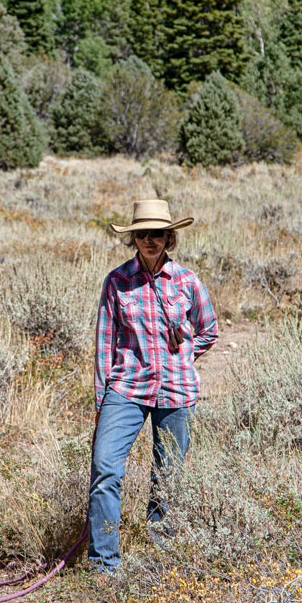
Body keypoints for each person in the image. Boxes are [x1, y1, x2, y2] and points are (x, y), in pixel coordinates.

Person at [89, 199, 218, 575]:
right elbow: (104, 343)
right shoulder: (117, 281)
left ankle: (160, 559)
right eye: (142, 233)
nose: (149, 240)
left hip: (177, 391)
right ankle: (104, 565)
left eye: (157, 233)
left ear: (169, 237)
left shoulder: (187, 281)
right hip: (126, 388)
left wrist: (184, 353)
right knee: (105, 470)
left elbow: (209, 329)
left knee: (168, 475)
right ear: (133, 238)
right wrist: (102, 398)